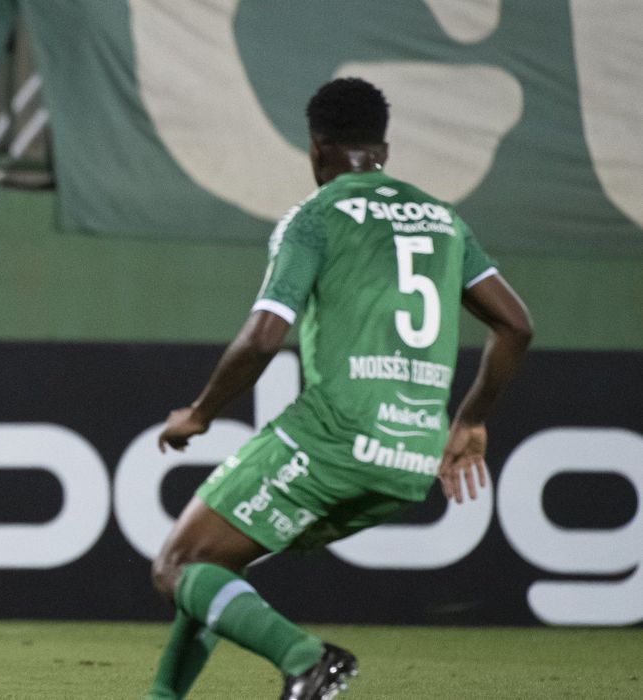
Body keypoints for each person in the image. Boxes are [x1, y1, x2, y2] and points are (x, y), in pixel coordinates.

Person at [143, 77, 533, 700]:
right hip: (409, 461)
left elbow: (264, 337)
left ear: (317, 148)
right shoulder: (444, 221)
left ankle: (307, 659)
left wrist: (200, 414)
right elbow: (515, 325)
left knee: (178, 566)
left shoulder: (317, 217)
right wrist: (471, 420)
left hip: (336, 435)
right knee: (216, 567)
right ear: (384, 148)